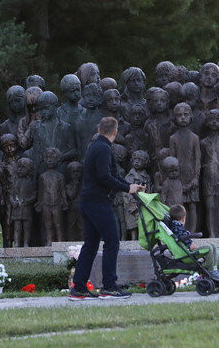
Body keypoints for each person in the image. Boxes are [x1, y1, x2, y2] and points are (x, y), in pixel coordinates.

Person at [70, 116, 143, 300]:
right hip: (98, 203)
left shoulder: (96, 146)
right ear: (116, 132)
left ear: (99, 130)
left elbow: (112, 175)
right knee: (112, 242)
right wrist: (128, 188)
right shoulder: (103, 148)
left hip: (88, 202)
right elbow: (104, 177)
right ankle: (109, 287)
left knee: (91, 244)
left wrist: (130, 186)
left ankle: (78, 288)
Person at [167, 204, 219, 281]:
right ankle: (211, 270)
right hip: (186, 254)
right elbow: (182, 239)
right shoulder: (177, 228)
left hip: (186, 251)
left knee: (213, 245)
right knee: (209, 247)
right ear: (183, 218)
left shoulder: (176, 227)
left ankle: (214, 269)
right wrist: (191, 246)